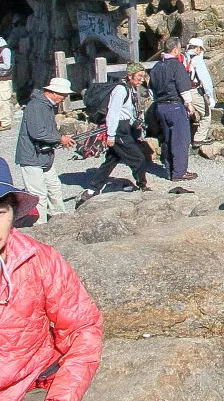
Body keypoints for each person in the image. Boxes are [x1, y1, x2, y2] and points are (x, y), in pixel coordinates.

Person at [0, 157, 103, 399]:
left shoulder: (40, 260)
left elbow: (83, 327)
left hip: (31, 380)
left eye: (0, 213)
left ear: (14, 214)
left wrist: (63, 395)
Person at [78, 63, 151, 203]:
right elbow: (113, 113)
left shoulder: (131, 88)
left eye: (144, 76)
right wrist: (111, 135)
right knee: (139, 159)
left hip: (124, 127)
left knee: (112, 159)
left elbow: (128, 110)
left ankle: (93, 188)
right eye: (139, 76)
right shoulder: (121, 90)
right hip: (118, 129)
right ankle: (143, 186)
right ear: (130, 76)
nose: (142, 79)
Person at [14, 77, 75, 224]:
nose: (64, 98)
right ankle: (40, 226)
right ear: (53, 92)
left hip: (43, 155)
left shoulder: (46, 105)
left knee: (54, 187)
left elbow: (46, 131)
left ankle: (59, 218)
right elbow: (38, 132)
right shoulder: (36, 106)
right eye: (63, 95)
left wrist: (59, 137)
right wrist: (60, 139)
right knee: (38, 194)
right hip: (31, 156)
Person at [149, 37, 197, 181]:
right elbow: (182, 87)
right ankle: (179, 171)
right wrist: (189, 104)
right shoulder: (176, 65)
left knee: (168, 139)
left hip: (160, 106)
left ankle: (170, 169)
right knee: (181, 139)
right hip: (175, 105)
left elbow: (151, 89)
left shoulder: (156, 67)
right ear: (175, 50)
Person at [186, 38, 216, 147]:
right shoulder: (197, 60)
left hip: (182, 91)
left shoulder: (183, 58)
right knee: (206, 114)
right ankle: (199, 137)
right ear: (198, 48)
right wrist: (210, 96)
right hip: (194, 90)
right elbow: (205, 79)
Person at [0, 34, 11, 132]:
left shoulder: (4, 50)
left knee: (3, 101)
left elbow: (7, 65)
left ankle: (5, 123)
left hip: (4, 79)